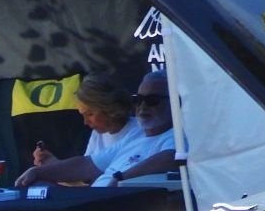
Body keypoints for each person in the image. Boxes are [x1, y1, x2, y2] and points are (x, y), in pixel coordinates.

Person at [15, 71, 176, 189]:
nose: (142, 106)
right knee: (39, 185)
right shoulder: (138, 134)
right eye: (139, 100)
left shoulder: (178, 138)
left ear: (175, 102)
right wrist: (38, 172)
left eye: (152, 101)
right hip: (95, 201)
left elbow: (172, 157)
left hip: (122, 210)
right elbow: (86, 165)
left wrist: (121, 178)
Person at [13, 75, 134, 187]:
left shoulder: (138, 133)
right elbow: (86, 181)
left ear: (109, 109)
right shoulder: (98, 133)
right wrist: (54, 165)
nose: (85, 122)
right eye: (83, 115)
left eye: (90, 114)